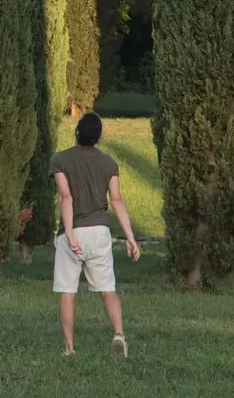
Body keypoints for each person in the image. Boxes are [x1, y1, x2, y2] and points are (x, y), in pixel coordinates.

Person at [50, 112, 139, 357]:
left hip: (74, 232)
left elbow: (66, 197)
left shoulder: (60, 160)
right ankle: (119, 334)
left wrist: (68, 234)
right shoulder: (109, 162)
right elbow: (117, 200)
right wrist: (130, 237)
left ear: (77, 132)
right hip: (100, 232)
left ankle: (69, 349)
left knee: (67, 292)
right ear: (98, 136)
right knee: (107, 289)